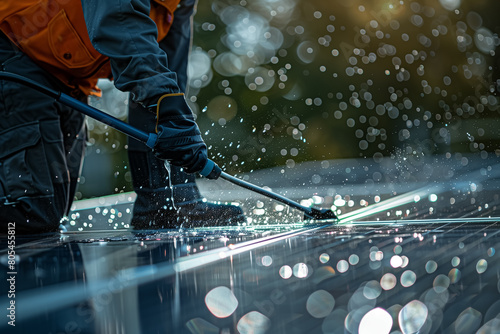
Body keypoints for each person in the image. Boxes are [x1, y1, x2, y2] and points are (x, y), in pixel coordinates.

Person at [0, 0, 244, 234]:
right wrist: (168, 106)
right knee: (33, 211)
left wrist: (170, 198)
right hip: (11, 51)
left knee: (49, 209)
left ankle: (160, 204)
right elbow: (119, 21)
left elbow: (168, 68)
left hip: (66, 75)